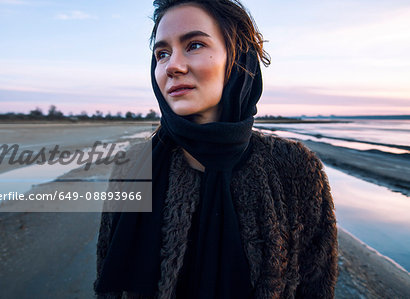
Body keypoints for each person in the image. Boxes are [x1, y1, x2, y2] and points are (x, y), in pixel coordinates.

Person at [94, 0, 338, 298]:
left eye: (194, 45)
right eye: (162, 53)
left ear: (238, 59)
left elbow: (317, 286)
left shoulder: (294, 166)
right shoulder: (132, 167)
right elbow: (107, 273)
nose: (172, 66)